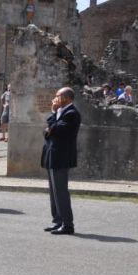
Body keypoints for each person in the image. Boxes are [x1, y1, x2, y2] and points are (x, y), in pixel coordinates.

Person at [41, 86, 81, 235]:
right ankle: (57, 221)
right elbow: (47, 132)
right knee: (53, 192)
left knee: (61, 191)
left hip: (61, 157)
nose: (55, 99)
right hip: (52, 156)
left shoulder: (71, 114)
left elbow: (56, 131)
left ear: (67, 98)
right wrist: (53, 114)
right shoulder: (60, 113)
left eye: (58, 96)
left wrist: (51, 127)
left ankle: (67, 224)